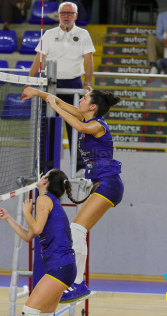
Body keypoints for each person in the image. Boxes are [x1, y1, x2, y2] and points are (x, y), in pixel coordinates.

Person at [22, 87, 124, 303]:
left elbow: (77, 125)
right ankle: (78, 283)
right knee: (78, 230)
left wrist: (53, 107)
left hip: (109, 184)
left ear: (92, 107)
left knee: (77, 229)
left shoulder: (96, 125)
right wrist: (39, 94)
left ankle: (78, 284)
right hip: (102, 184)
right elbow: (61, 102)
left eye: (85, 98)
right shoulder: (85, 118)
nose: (81, 100)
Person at [0, 169, 99, 315]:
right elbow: (29, 235)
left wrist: (27, 213)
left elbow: (36, 229)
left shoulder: (44, 199)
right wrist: (8, 218)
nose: (41, 176)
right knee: (45, 314)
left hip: (60, 267)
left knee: (29, 311)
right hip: (63, 268)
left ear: (45, 181)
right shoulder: (50, 201)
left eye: (45, 174)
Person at [24, 1, 95, 177]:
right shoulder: (49, 34)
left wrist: (87, 83)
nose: (66, 16)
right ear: (58, 15)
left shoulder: (83, 34)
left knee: (77, 127)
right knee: (47, 126)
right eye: (63, 13)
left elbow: (89, 60)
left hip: (74, 85)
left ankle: (79, 167)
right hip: (51, 86)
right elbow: (38, 60)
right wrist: (29, 83)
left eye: (69, 13)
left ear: (75, 16)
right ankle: (43, 168)